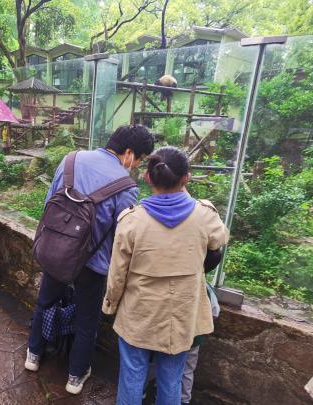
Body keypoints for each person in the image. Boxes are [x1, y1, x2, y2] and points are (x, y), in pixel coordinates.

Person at [25, 125, 154, 395]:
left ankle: (33, 355)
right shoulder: (126, 186)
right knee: (87, 320)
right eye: (139, 158)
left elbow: (50, 202)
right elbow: (123, 235)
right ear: (129, 153)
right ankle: (75, 375)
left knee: (44, 302)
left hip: (57, 252)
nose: (136, 165)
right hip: (92, 265)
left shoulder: (70, 160)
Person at [102, 146, 229, 405]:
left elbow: (117, 274)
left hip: (138, 314)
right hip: (181, 317)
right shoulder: (204, 215)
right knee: (172, 379)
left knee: (132, 376)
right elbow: (219, 240)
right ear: (187, 178)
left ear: (148, 178)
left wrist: (111, 305)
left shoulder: (131, 221)